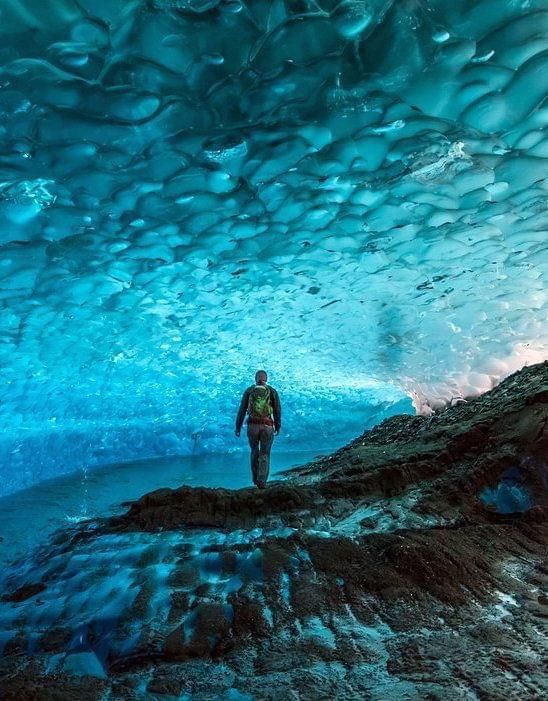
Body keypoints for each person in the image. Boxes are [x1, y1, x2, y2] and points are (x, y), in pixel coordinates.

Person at [235, 370, 281, 489]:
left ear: (256, 378)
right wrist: (278, 425)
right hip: (267, 426)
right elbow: (277, 410)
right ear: (266, 379)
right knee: (265, 453)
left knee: (254, 451)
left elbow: (242, 410)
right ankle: (262, 481)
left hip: (252, 426)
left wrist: (238, 426)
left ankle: (255, 479)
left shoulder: (250, 391)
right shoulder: (272, 391)